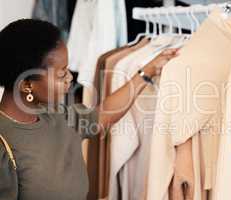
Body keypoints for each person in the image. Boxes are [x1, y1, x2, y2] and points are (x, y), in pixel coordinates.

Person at [0, 19, 178, 199]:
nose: (69, 78)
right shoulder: (4, 145)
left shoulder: (56, 113)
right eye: (61, 74)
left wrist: (148, 71)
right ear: (26, 85)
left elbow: (102, 116)